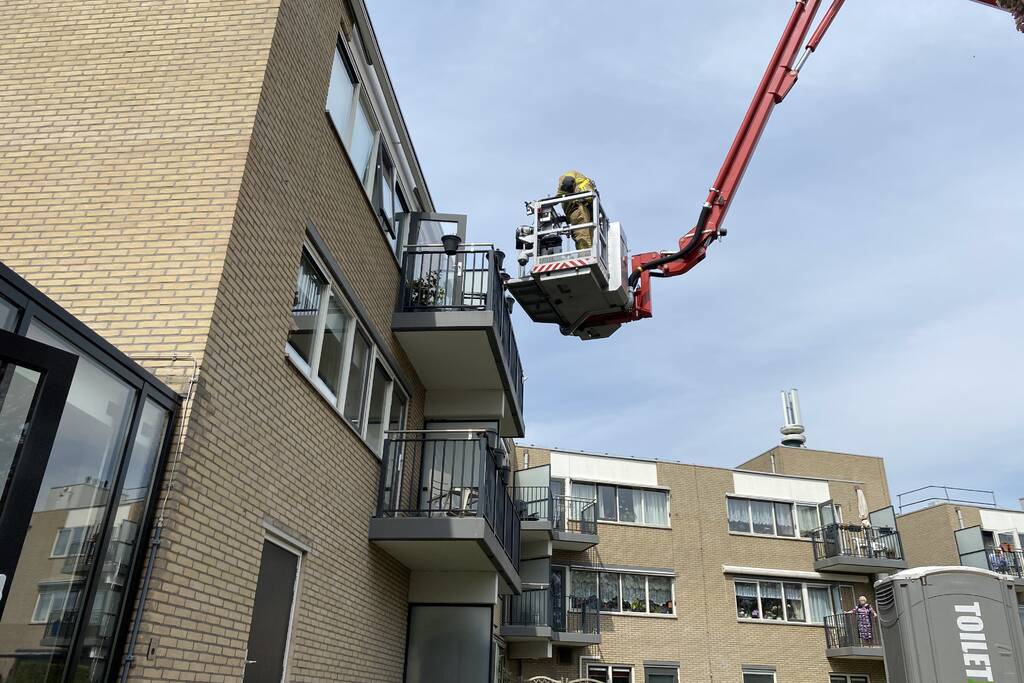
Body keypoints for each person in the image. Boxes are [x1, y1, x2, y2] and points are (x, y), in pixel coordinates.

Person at [556, 170, 597, 250]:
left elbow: (567, 184)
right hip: (581, 211)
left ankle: (585, 255)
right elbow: (567, 183)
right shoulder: (576, 177)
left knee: (583, 238)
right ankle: (586, 255)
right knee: (585, 239)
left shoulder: (570, 176)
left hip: (579, 210)